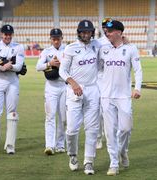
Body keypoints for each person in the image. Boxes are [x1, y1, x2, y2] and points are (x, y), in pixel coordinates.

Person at [99, 20, 142, 176]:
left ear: (119, 32)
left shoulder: (131, 49)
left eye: (110, 31)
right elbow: (95, 68)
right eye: (105, 31)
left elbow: (137, 70)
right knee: (110, 132)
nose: (107, 33)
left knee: (125, 128)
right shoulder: (102, 49)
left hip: (124, 96)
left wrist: (137, 88)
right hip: (106, 96)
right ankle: (114, 163)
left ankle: (123, 151)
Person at [59, 20, 101, 175]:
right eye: (83, 32)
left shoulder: (97, 45)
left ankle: (89, 161)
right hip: (74, 91)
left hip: (92, 90)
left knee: (92, 129)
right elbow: (62, 71)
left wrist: (125, 40)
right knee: (71, 129)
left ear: (92, 32)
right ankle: (72, 155)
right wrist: (73, 83)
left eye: (88, 32)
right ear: (78, 33)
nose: (86, 34)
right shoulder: (71, 48)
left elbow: (113, 41)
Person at [0, 24, 25, 154]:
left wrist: (9, 66)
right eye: (5, 34)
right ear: (2, 34)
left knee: (12, 113)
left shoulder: (18, 47)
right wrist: (0, 67)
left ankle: (10, 145)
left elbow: (19, 67)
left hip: (12, 82)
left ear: (12, 35)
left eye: (9, 34)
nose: (7, 36)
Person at [36, 28, 66, 155]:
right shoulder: (46, 52)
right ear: (50, 39)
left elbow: (73, 67)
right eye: (53, 38)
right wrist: (50, 63)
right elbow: (38, 67)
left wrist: (61, 65)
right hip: (51, 86)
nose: (56, 41)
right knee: (50, 116)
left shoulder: (67, 50)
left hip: (64, 86)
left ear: (61, 38)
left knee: (63, 118)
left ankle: (60, 145)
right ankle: (50, 145)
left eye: (58, 38)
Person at [96, 17, 112, 149]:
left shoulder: (119, 42)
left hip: (114, 81)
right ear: (103, 28)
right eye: (106, 27)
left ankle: (110, 136)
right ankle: (98, 137)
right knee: (99, 111)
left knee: (111, 111)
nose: (108, 30)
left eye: (110, 27)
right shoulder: (98, 43)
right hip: (100, 80)